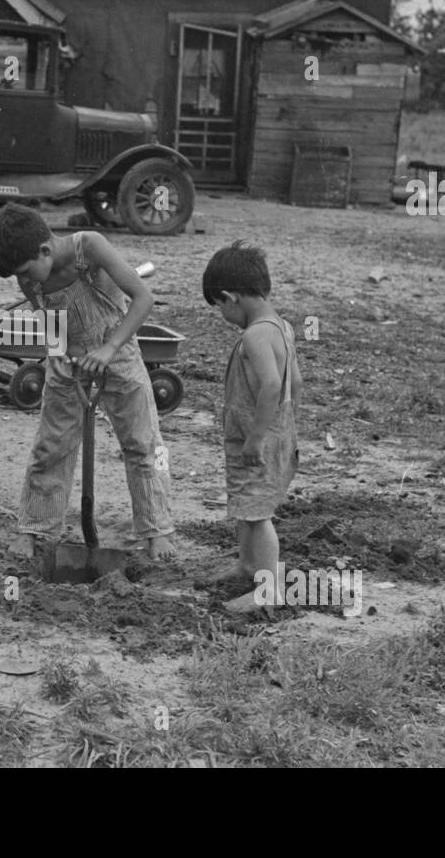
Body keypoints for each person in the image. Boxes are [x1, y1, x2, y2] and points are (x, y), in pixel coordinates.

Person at [0, 203, 176, 561]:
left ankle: (157, 530)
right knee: (51, 444)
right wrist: (62, 355)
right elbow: (49, 317)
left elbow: (143, 298)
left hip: (117, 351)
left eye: (26, 272)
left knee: (142, 441)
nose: (24, 282)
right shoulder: (30, 275)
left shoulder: (89, 247)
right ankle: (34, 527)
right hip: (68, 360)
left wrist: (108, 348)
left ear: (44, 250)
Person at [200, 241, 301, 612]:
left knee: (258, 515)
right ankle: (247, 564)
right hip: (274, 431)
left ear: (230, 298)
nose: (222, 315)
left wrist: (259, 437)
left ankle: (270, 589)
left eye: (219, 307)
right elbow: (296, 384)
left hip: (256, 437)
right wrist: (284, 427)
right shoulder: (283, 327)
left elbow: (272, 384)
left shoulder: (255, 335)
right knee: (246, 504)